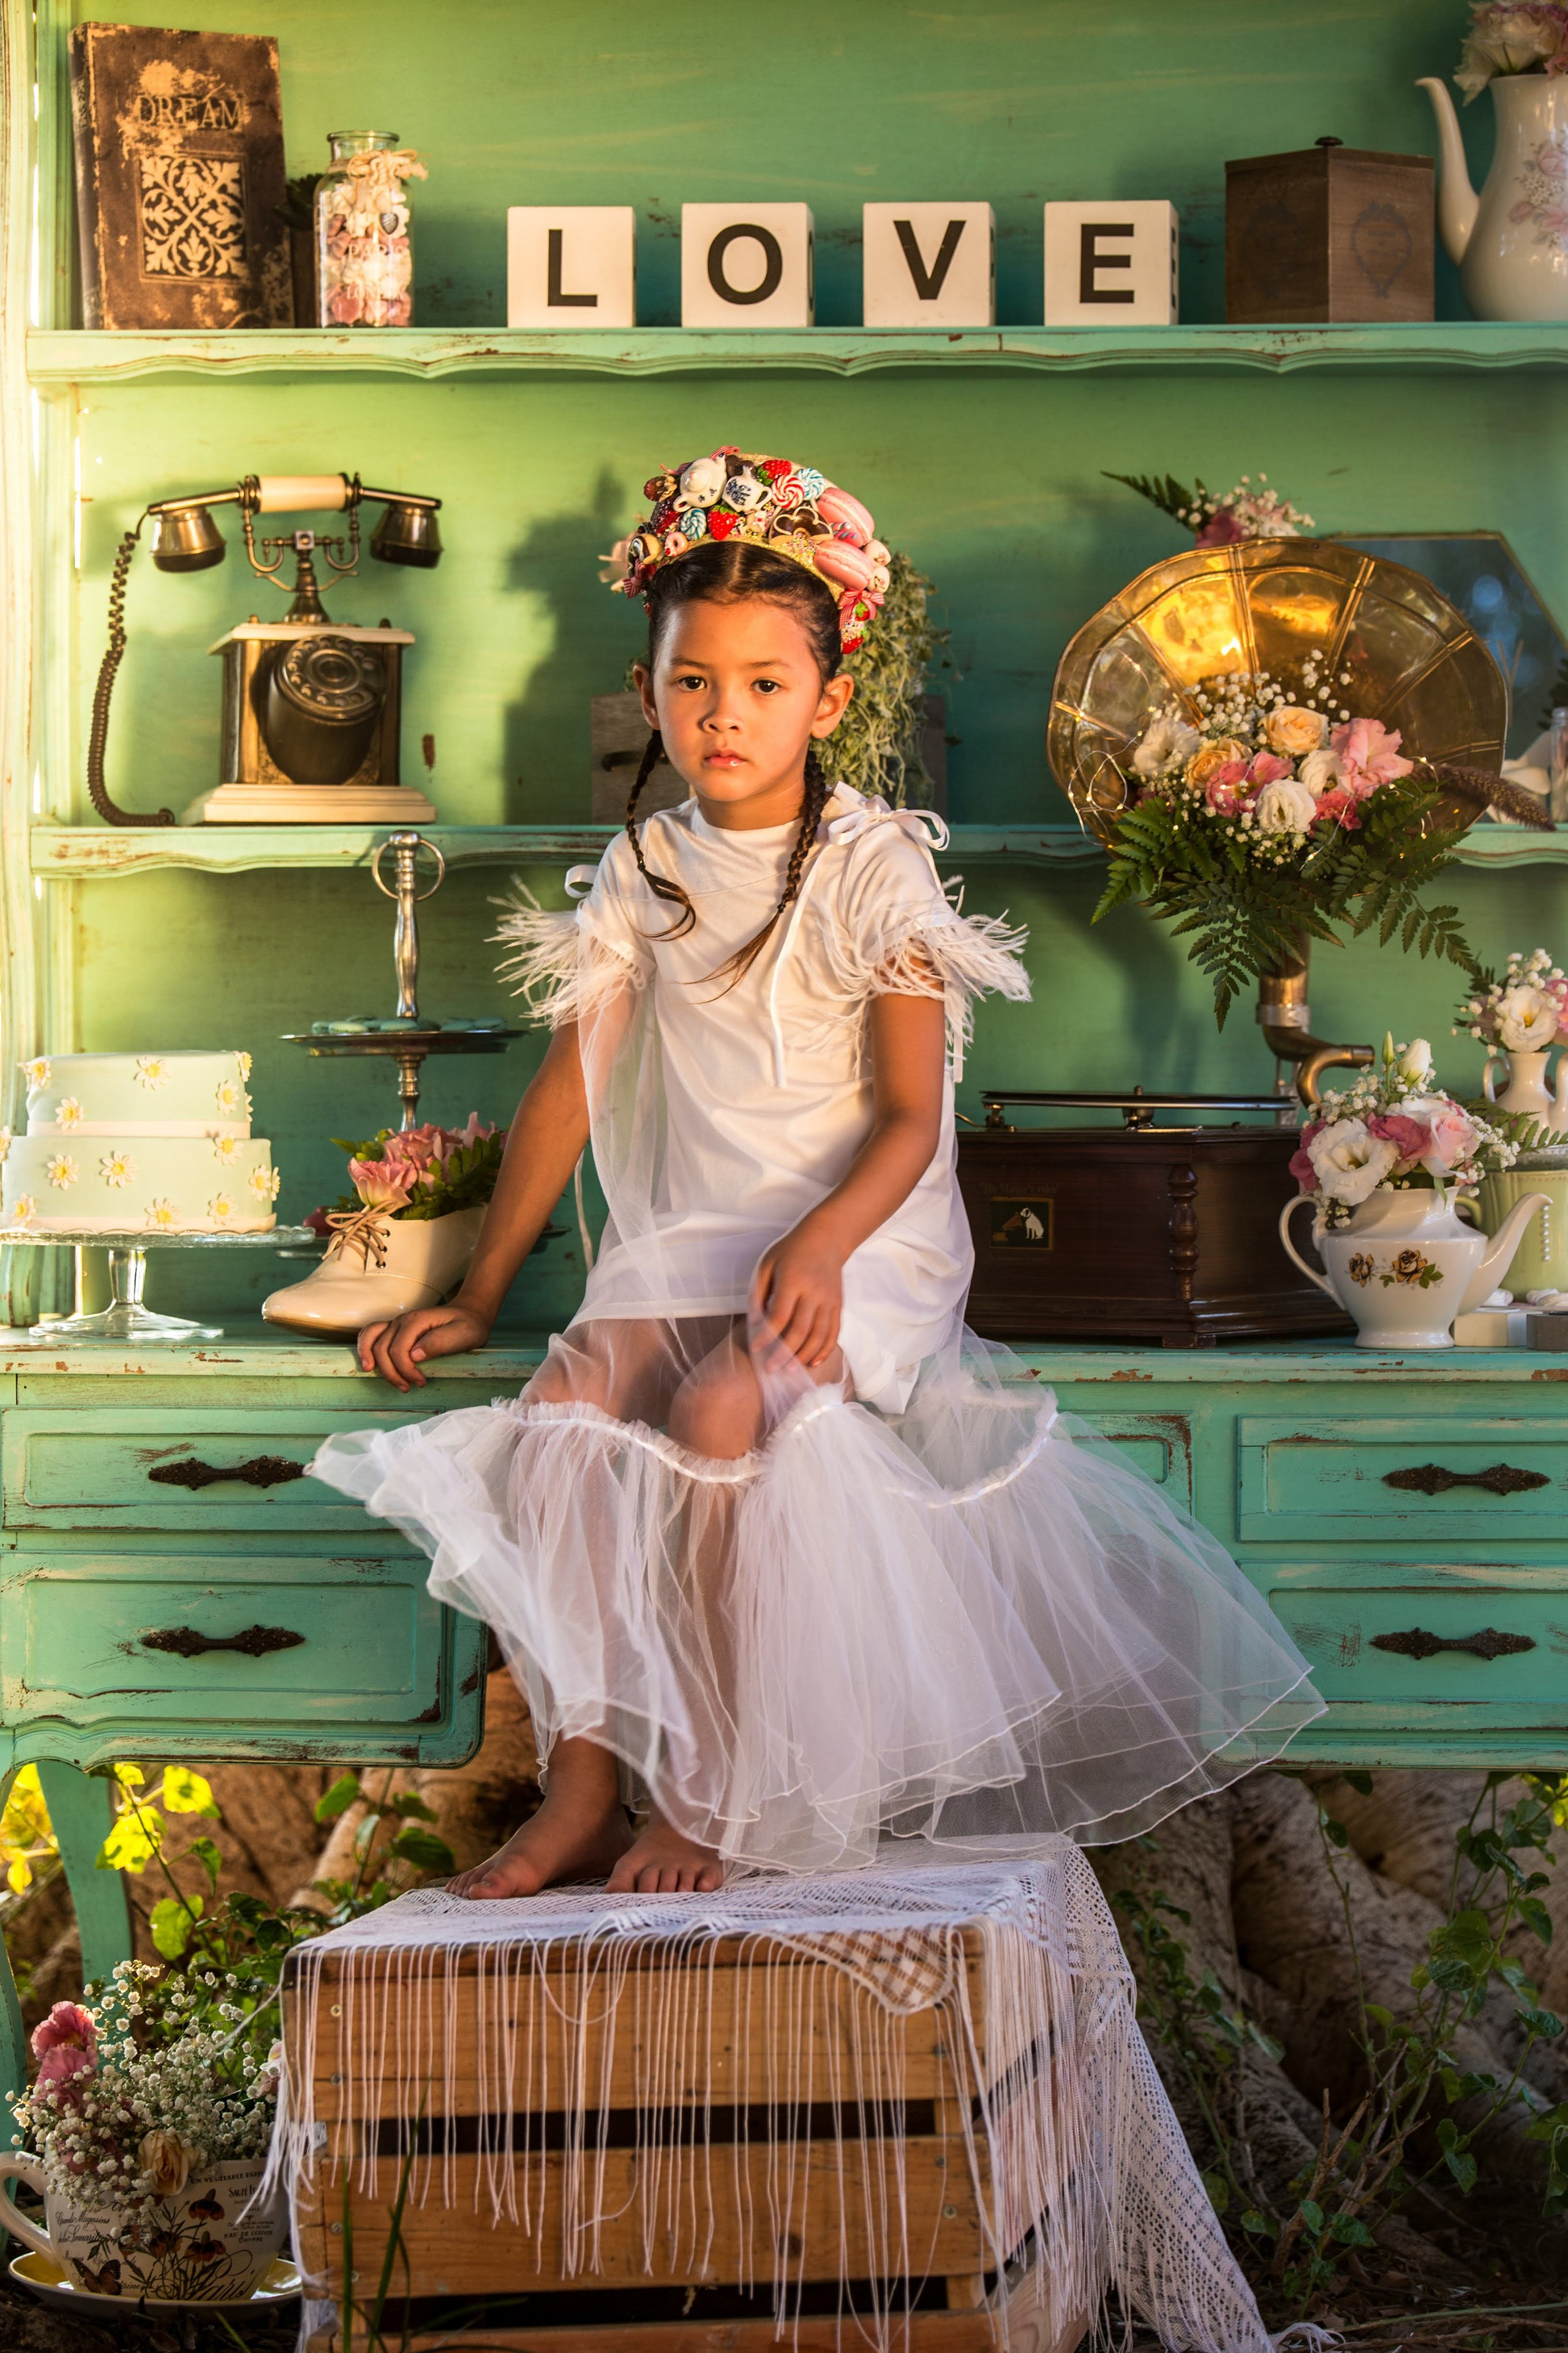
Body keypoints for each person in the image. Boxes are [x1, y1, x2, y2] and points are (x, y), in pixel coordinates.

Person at [311, 447, 1322, 1900]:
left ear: (829, 699)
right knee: (564, 1413)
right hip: (695, 1230)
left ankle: (714, 1787)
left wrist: (828, 1248)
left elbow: (912, 1119)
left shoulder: (872, 864)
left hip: (863, 1232)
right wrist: (480, 1291)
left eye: (765, 684)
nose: (725, 714)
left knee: (727, 1407)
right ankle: (581, 1781)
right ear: (650, 690)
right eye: (692, 682)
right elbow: (571, 1090)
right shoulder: (642, 866)